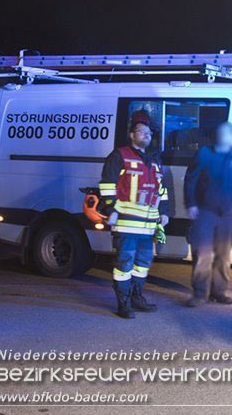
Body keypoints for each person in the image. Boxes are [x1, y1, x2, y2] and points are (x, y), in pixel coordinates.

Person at [98, 110, 169, 319]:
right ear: (131, 135)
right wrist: (110, 209)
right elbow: (107, 185)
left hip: (147, 226)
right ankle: (124, 303)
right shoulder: (119, 156)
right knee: (124, 266)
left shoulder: (155, 160)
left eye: (148, 132)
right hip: (126, 224)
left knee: (142, 265)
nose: (145, 135)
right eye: (140, 132)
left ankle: (137, 297)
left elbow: (161, 190)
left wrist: (164, 212)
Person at [184, 122, 232, 307]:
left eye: (227, 134)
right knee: (203, 254)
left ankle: (219, 292)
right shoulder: (205, 154)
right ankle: (200, 294)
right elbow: (191, 179)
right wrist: (191, 204)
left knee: (223, 256)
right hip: (205, 212)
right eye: (221, 133)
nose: (223, 137)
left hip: (228, 214)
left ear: (231, 137)